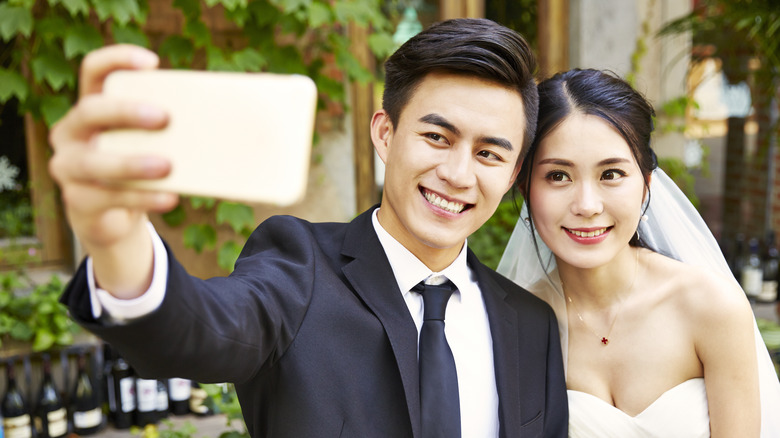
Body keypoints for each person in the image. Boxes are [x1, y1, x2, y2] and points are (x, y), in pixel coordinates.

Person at [49, 18, 568, 438]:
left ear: (513, 175)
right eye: (436, 136)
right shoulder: (299, 267)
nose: (458, 174)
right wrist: (117, 242)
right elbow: (197, 332)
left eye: (488, 153)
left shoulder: (530, 323)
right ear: (385, 135)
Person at [498, 68, 780, 437]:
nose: (587, 205)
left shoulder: (710, 306)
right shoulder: (511, 325)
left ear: (646, 185)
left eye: (611, 174)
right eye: (558, 176)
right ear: (525, 187)